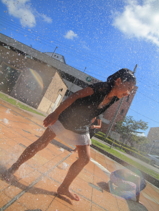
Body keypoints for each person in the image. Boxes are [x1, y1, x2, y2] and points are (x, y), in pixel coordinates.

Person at [2, 68, 136, 201]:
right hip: (66, 117)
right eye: (129, 87)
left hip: (81, 125)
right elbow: (75, 95)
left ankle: (64, 187)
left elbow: (95, 108)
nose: (128, 92)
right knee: (42, 143)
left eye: (131, 89)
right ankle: (13, 168)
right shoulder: (101, 87)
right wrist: (56, 113)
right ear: (118, 81)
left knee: (85, 158)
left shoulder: (114, 99)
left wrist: (90, 118)